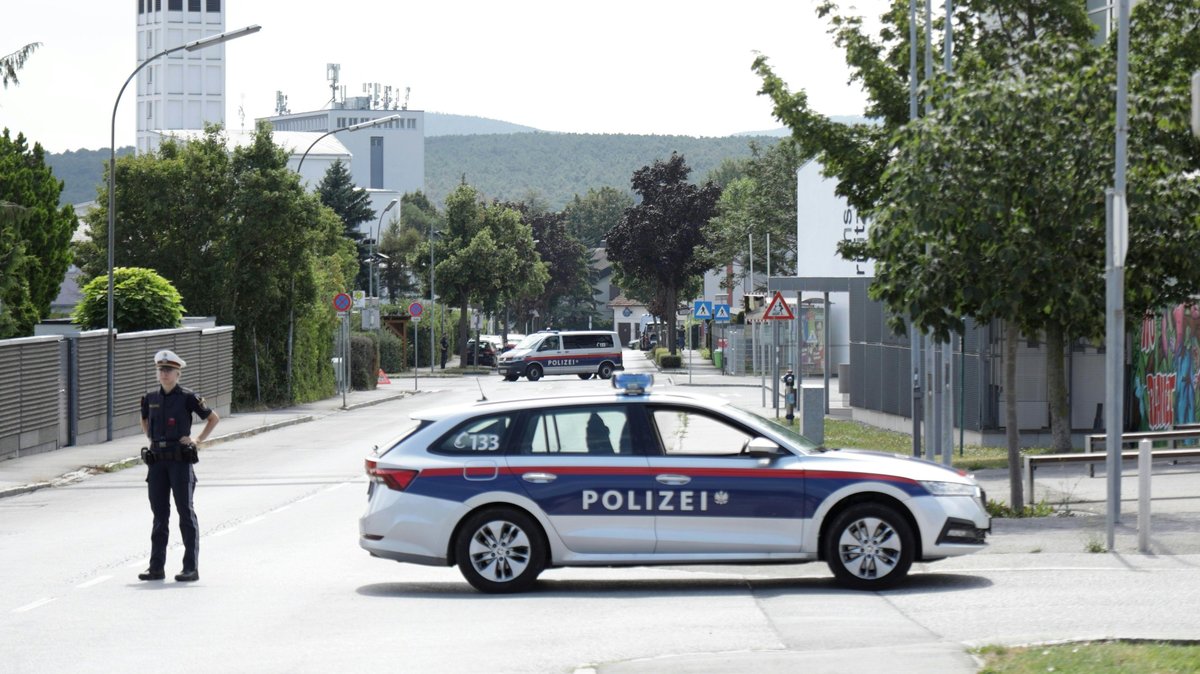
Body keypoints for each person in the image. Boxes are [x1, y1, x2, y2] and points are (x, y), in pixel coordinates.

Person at [138, 349, 219, 583]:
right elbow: (143, 418)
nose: (163, 374)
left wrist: (197, 440)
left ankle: (190, 568)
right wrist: (150, 437)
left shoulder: (187, 397)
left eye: (168, 370)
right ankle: (156, 567)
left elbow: (213, 418)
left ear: (177, 373)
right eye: (160, 370)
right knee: (159, 515)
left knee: (185, 513)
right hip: (157, 462)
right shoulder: (150, 398)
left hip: (180, 462)